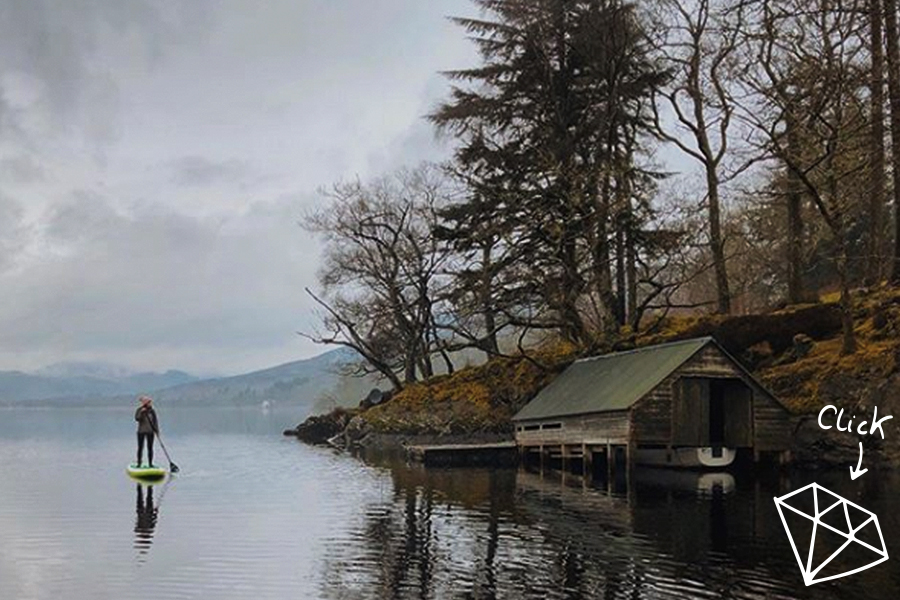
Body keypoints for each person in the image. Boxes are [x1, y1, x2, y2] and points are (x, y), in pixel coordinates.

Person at [135, 396, 159, 467]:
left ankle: (150, 464)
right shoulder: (139, 410)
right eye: (147, 402)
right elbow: (137, 419)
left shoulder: (152, 411)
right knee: (140, 448)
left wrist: (157, 431)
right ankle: (139, 463)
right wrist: (142, 413)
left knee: (150, 448)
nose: (149, 403)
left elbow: (155, 422)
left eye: (149, 402)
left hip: (150, 432)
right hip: (141, 432)